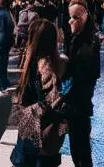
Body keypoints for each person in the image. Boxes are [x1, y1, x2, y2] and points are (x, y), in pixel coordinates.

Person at [12, 19, 68, 167]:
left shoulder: (43, 65)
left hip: (38, 130)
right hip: (37, 130)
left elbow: (51, 101)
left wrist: (25, 112)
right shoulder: (44, 62)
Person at [64, 0, 99, 167]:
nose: (71, 21)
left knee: (81, 150)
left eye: (75, 17)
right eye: (70, 17)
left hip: (79, 102)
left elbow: (86, 73)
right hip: (76, 102)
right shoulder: (77, 38)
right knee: (77, 149)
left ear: (85, 17)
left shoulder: (88, 42)